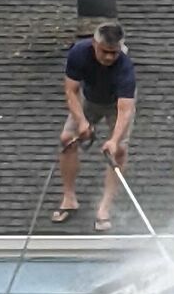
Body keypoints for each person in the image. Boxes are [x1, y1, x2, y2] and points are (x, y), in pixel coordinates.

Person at [52, 22, 136, 232]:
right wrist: (81, 122)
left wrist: (114, 141)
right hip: (88, 100)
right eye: (104, 52)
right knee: (66, 139)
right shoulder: (79, 53)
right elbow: (71, 91)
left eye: (113, 53)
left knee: (119, 151)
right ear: (94, 44)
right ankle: (69, 199)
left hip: (116, 105)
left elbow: (125, 110)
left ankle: (104, 209)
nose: (109, 57)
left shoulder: (125, 67)